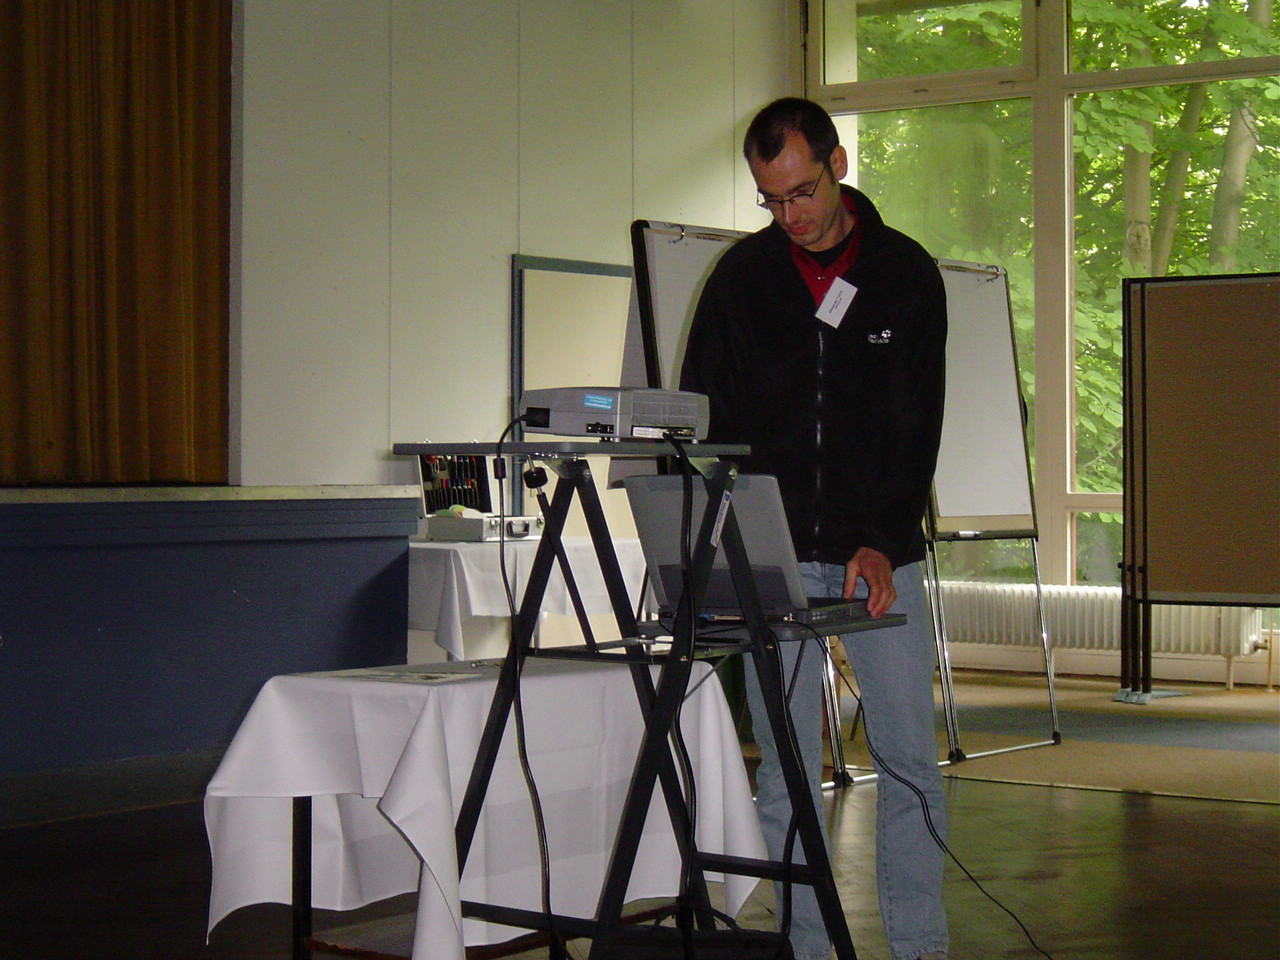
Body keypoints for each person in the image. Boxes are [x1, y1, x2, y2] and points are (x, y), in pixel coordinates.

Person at [680, 97, 949, 960]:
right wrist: (723, 543)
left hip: (884, 556)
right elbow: (706, 423)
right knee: (786, 772)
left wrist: (882, 535)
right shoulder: (740, 280)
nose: (789, 215)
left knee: (909, 764)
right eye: (771, 199)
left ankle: (918, 949)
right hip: (776, 557)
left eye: (801, 193)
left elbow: (917, 423)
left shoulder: (905, 273)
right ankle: (804, 947)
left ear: (837, 164)